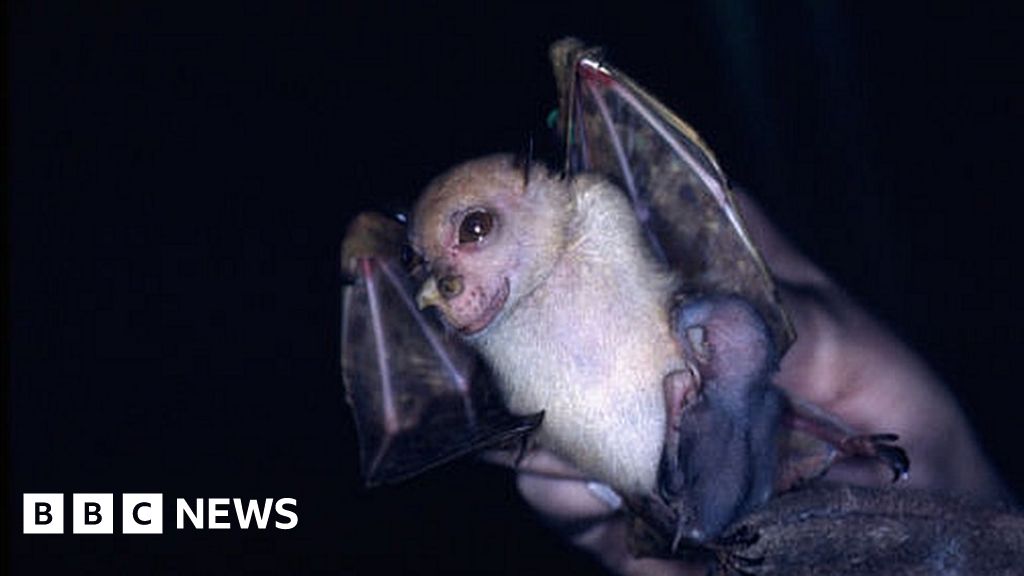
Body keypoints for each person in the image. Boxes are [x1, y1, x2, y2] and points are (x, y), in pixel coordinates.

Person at [505, 193, 1009, 575]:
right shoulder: (678, 388)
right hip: (694, 499)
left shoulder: (733, 380)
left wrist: (853, 445)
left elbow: (785, 418)